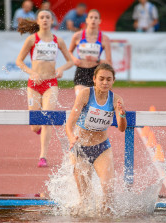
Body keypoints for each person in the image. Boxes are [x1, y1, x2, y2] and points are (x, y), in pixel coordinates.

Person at [66, 63, 127, 213]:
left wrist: (122, 114)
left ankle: (104, 216)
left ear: (113, 81)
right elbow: (70, 123)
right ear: (94, 79)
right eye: (101, 79)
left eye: (108, 79)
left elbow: (121, 128)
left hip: (102, 148)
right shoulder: (85, 94)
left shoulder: (116, 99)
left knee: (108, 189)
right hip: (81, 148)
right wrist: (71, 138)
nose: (105, 82)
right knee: (85, 200)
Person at [16, 9, 74, 167]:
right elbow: (19, 61)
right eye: (42, 17)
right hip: (34, 85)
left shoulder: (58, 40)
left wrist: (61, 69)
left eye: (48, 17)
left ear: (52, 21)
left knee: (47, 118)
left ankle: (43, 156)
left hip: (51, 84)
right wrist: (31, 72)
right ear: (37, 21)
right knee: (35, 125)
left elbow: (70, 61)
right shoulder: (31, 39)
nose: (45, 19)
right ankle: (39, 129)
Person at [68, 9, 112, 96]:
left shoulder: (104, 38)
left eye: (96, 18)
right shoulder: (77, 36)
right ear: (86, 20)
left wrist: (97, 60)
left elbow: (109, 61)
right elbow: (69, 52)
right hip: (81, 71)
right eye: (91, 17)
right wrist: (74, 59)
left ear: (99, 21)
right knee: (80, 97)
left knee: (95, 101)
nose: (93, 20)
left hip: (96, 72)